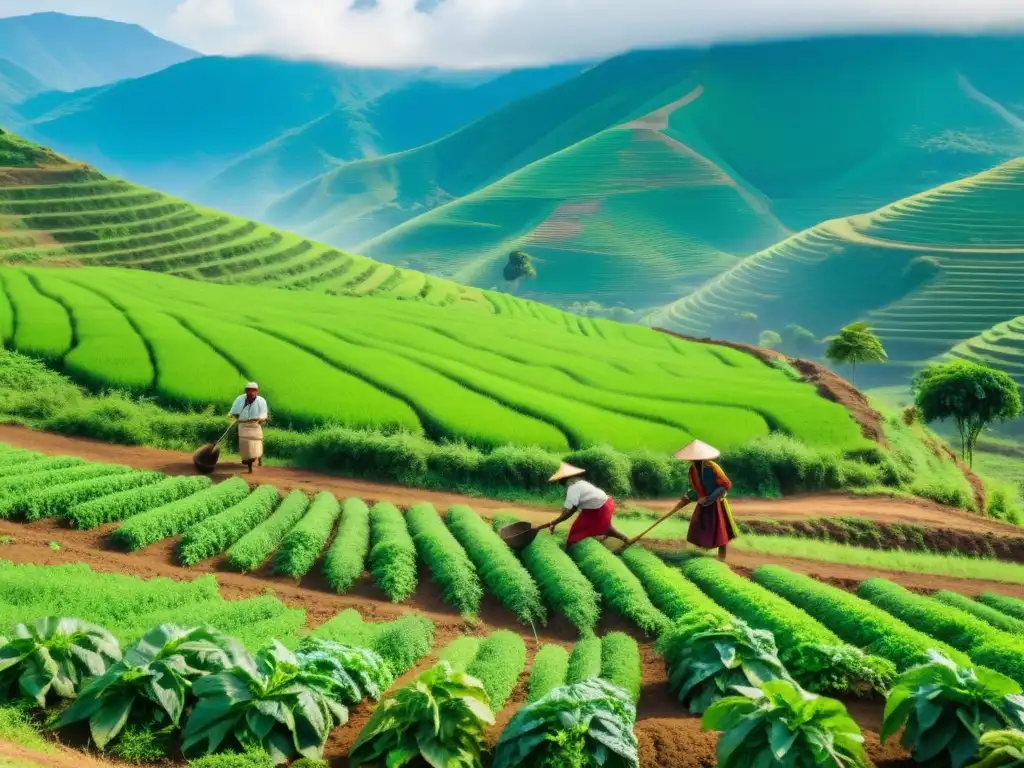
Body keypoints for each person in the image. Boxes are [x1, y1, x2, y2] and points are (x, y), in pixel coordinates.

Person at [670, 440, 740, 561]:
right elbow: (694, 490)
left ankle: (722, 556)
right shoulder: (692, 471)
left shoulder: (712, 467)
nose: (693, 460)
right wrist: (685, 500)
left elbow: (725, 484)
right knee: (698, 525)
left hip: (716, 502)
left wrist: (710, 499)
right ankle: (701, 554)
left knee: (720, 529)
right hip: (703, 502)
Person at [542, 463, 629, 547]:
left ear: (565, 478)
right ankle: (625, 539)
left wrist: (553, 523)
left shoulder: (573, 488)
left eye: (560, 479)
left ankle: (572, 549)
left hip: (598, 508)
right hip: (607, 503)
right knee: (605, 527)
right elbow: (573, 509)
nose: (559, 482)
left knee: (575, 534)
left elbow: (567, 511)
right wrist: (554, 523)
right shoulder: (581, 483)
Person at [229, 382, 268, 474]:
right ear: (246, 391)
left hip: (255, 424)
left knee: (257, 442)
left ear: (257, 391)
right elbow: (233, 409)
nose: (251, 392)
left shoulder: (261, 400)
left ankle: (257, 457)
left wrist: (262, 418)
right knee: (245, 444)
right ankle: (248, 461)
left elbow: (264, 412)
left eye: (253, 390)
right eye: (249, 390)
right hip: (243, 424)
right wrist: (233, 414)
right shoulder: (240, 399)